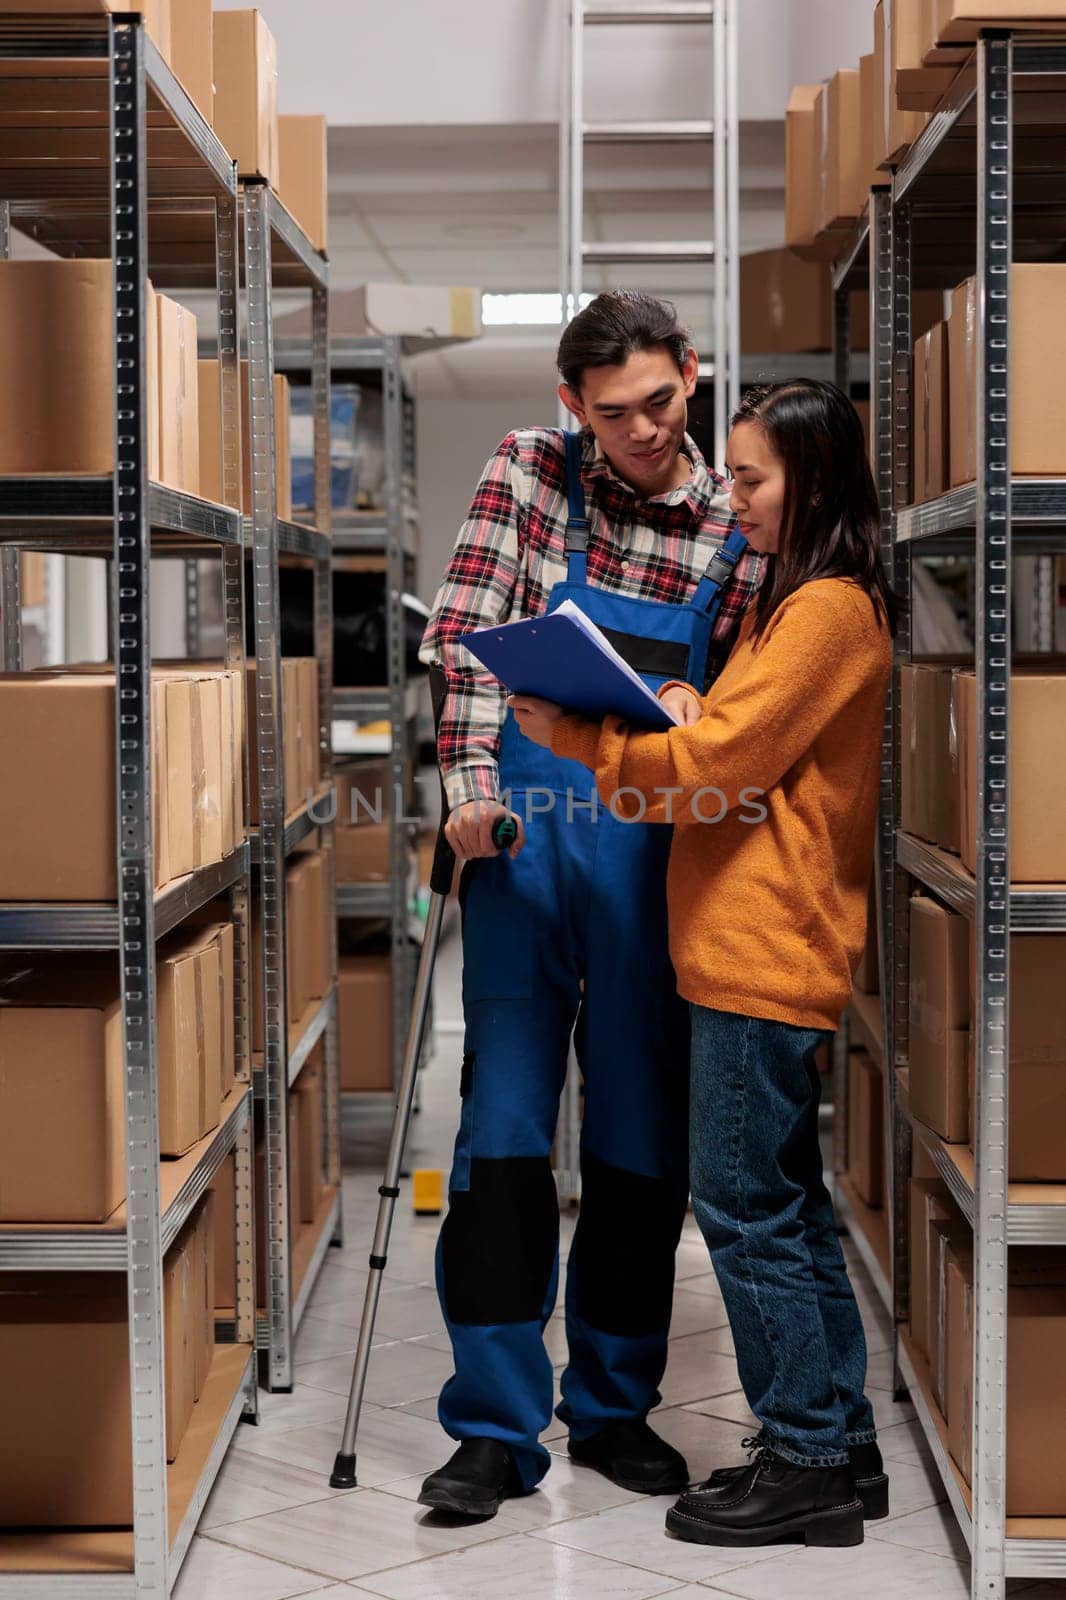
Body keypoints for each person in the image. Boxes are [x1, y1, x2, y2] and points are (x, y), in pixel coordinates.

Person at [511, 378, 895, 1550]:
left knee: (742, 1210)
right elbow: (740, 732)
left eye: (752, 479)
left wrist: (574, 732)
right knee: (785, 1204)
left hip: (760, 952)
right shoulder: (794, 607)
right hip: (753, 946)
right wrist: (679, 702)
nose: (732, 500)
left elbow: (721, 762)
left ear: (814, 480)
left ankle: (805, 1464)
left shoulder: (826, 607)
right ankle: (840, 1445)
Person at [416, 290, 764, 1518]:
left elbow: (743, 707)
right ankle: (495, 1425)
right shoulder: (530, 470)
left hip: (655, 856)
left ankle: (613, 1407)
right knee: (503, 1140)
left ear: (691, 372)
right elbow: (465, 639)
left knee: (635, 1143)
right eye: (612, 414)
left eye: (661, 403)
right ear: (573, 405)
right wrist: (465, 788)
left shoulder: (733, 516)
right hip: (518, 842)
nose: (642, 431)